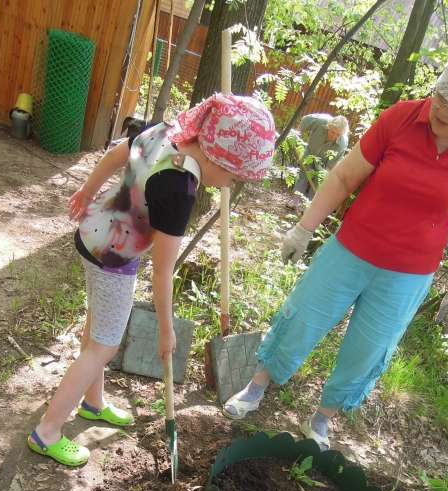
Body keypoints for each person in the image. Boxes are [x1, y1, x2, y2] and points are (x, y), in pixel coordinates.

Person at [223, 37, 448, 451]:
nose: (441, 110)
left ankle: (321, 420)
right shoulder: (401, 118)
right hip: (350, 251)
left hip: (407, 276)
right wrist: (303, 228)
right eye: (440, 97)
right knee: (302, 319)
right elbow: (343, 177)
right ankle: (257, 387)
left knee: (367, 350)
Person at [28, 93, 276, 466]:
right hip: (114, 255)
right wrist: (166, 329)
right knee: (104, 347)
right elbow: (162, 272)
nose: (227, 185)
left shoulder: (167, 130)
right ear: (214, 154)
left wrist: (88, 190)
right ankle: (47, 432)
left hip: (92, 233)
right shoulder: (179, 189)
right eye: (231, 176)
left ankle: (93, 404)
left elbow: (115, 155)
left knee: (99, 329)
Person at [293, 113, 349, 198]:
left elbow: (330, 166)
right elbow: (305, 120)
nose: (334, 136)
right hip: (310, 153)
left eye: (338, 134)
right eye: (332, 132)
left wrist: (322, 176)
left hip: (323, 164)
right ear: (329, 126)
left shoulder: (342, 144)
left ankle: (307, 208)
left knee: (317, 184)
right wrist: (296, 134)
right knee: (303, 176)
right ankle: (294, 201)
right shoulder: (321, 121)